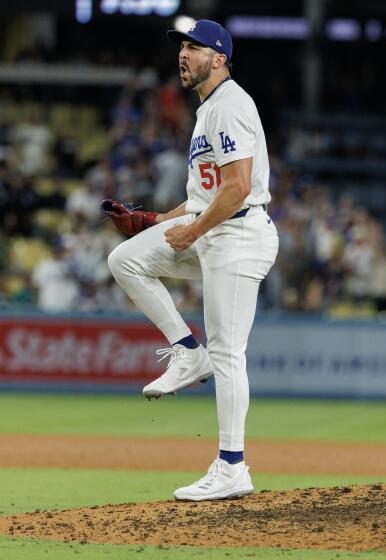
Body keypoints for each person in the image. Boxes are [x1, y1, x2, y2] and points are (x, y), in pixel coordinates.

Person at [105, 20, 278, 501]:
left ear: (219, 57)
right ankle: (186, 351)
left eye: (194, 47)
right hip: (214, 229)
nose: (183, 54)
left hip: (240, 233)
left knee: (227, 354)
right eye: (181, 46)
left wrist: (192, 231)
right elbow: (203, 196)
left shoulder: (231, 106)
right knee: (126, 260)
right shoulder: (208, 111)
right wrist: (153, 221)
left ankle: (232, 467)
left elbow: (238, 188)